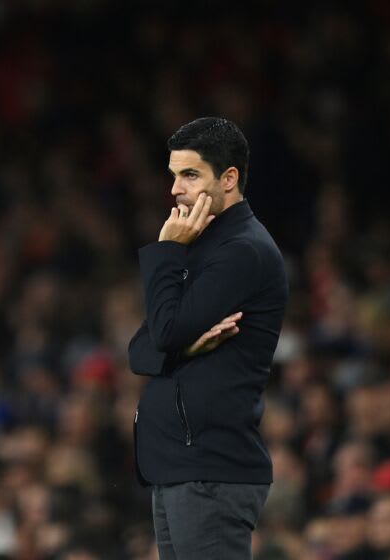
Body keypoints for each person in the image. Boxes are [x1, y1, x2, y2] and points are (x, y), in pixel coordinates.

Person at [127, 117, 289, 559]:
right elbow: (139, 349)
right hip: (183, 465)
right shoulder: (208, 244)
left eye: (190, 174)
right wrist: (184, 346)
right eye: (174, 175)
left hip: (210, 469)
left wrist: (167, 251)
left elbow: (161, 334)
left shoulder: (241, 251)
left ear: (229, 178)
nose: (176, 189)